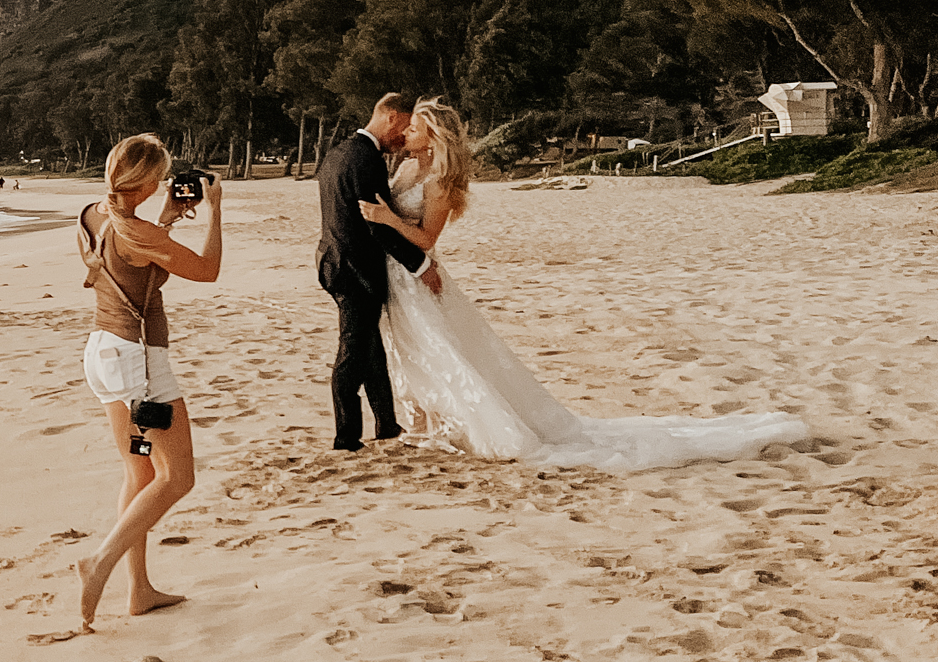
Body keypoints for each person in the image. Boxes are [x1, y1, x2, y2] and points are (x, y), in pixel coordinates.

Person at [358, 97, 808, 468]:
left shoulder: (439, 182)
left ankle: (456, 426)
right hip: (398, 274)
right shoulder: (406, 167)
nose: (405, 134)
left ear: (434, 136)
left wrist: (385, 218)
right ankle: (420, 424)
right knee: (413, 350)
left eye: (414, 128)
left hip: (416, 272)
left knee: (442, 351)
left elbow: (427, 238)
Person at [70, 133, 223, 630]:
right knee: (177, 477)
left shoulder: (93, 215)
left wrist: (164, 222)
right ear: (154, 180)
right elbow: (208, 271)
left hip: (102, 355)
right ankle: (102, 561)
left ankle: (139, 590)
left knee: (139, 474)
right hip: (139, 365)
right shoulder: (137, 232)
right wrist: (215, 210)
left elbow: (138, 270)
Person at [316, 93, 432, 452]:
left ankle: (386, 423)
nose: (404, 136)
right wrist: (421, 265)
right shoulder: (366, 161)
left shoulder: (339, 152)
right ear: (392, 118)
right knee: (352, 352)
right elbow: (378, 227)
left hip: (332, 261)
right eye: (406, 127)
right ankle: (346, 437)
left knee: (370, 347)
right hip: (355, 270)